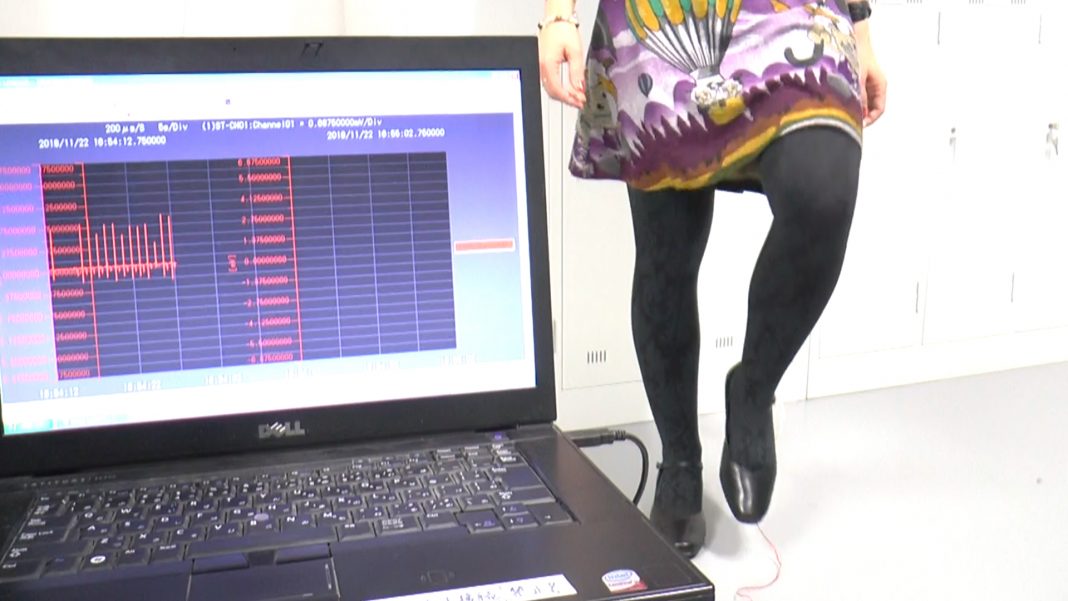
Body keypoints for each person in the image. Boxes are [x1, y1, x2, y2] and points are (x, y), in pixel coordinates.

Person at [539, 0, 888, 558]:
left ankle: (753, 389)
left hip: (793, 13)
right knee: (666, 254)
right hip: (659, 16)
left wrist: (861, 29)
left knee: (823, 195)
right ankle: (679, 460)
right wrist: (559, 14)